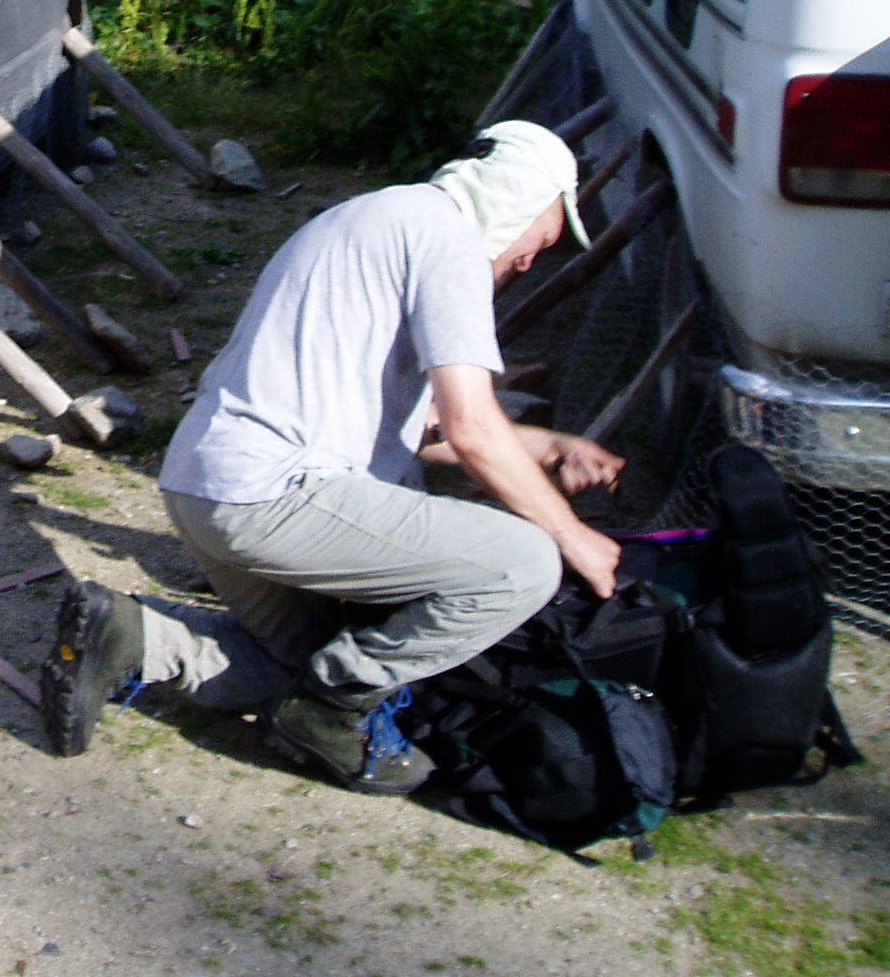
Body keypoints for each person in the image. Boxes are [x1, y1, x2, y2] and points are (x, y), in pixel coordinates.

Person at [39, 120, 627, 794]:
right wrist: (575, 538)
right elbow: (473, 430)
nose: (527, 263)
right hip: (274, 495)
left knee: (301, 665)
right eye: (540, 241)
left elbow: (421, 428)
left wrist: (546, 445)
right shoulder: (453, 240)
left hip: (203, 484)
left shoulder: (375, 218)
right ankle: (332, 712)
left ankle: (131, 634)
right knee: (525, 563)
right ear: (515, 196)